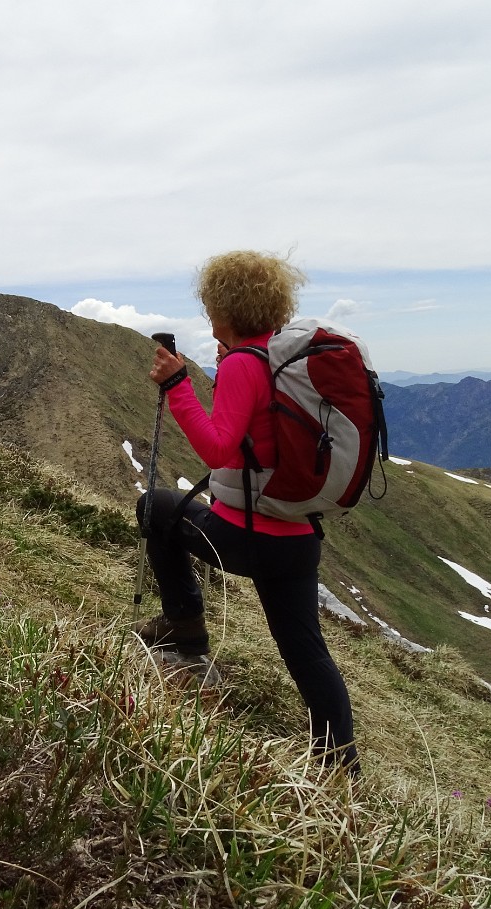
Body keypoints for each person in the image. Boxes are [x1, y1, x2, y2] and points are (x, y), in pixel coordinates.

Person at [135, 249, 359, 775]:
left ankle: (185, 629)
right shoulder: (279, 359)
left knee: (158, 506)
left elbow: (217, 449)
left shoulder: (242, 363)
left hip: (245, 537)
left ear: (223, 309)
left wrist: (177, 386)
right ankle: (340, 768)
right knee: (307, 652)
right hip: (297, 539)